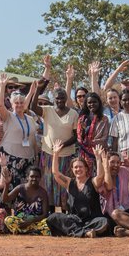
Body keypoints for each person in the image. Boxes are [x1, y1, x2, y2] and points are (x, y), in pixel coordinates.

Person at [37, 58, 79, 210]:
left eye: (62, 98)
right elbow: (32, 105)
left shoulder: (73, 113)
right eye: (57, 98)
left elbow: (76, 136)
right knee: (48, 183)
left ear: (66, 98)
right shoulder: (47, 110)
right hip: (48, 153)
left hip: (66, 154)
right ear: (53, 99)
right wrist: (39, 85)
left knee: (65, 185)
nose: (60, 100)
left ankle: (67, 214)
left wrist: (62, 145)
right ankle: (49, 216)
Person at [47, 141, 110, 238]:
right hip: (74, 219)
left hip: (91, 220)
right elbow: (56, 173)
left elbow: (101, 176)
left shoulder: (93, 182)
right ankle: (85, 233)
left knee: (103, 222)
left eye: (80, 167)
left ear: (86, 169)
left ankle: (76, 231)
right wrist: (56, 154)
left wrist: (98, 157)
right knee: (53, 217)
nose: (78, 169)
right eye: (75, 167)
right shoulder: (69, 183)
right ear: (72, 169)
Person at [2, 167, 52, 235]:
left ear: (40, 178)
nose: (34, 179)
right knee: (8, 220)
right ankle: (32, 232)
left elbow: (45, 214)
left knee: (48, 225)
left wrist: (31, 221)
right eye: (32, 176)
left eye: (37, 177)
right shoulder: (20, 188)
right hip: (20, 222)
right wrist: (7, 184)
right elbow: (5, 199)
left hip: (36, 222)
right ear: (27, 177)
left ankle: (23, 231)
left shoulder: (43, 193)